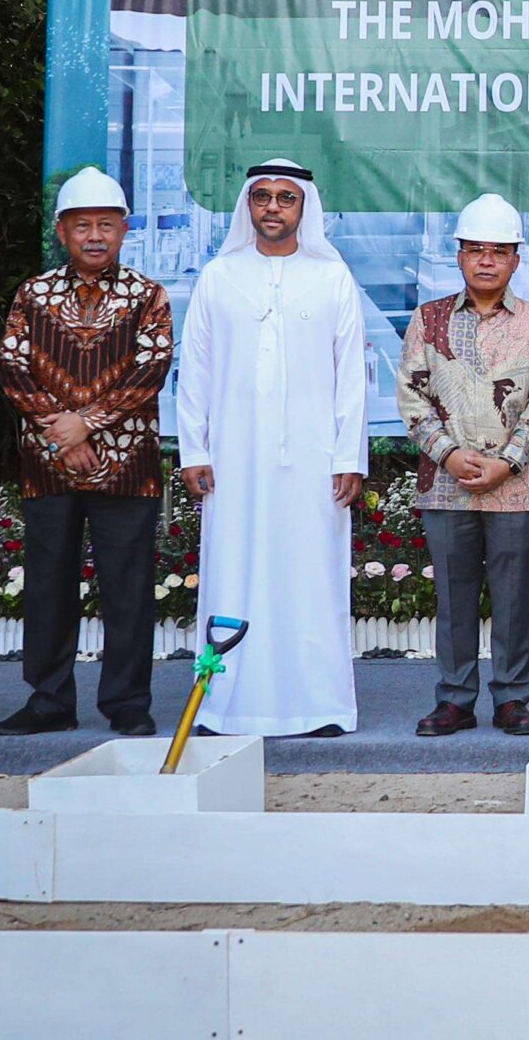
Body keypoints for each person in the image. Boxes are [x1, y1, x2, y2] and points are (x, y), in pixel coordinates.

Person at [174, 160, 369, 737]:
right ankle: (225, 704)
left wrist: (347, 457)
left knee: (312, 576)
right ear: (248, 206)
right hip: (232, 459)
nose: (274, 208)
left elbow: (350, 377)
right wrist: (194, 450)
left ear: (303, 206)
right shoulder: (219, 275)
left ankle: (319, 705)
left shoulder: (332, 277)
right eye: (262, 197)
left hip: (313, 461)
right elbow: (196, 372)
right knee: (233, 567)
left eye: (286, 198)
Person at [0, 167, 175, 738]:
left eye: (105, 225)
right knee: (47, 585)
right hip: (48, 466)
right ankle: (49, 700)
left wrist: (86, 424)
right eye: (82, 226)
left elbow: (151, 370)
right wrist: (61, 435)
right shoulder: (34, 293)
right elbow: (13, 367)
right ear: (62, 231)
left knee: (128, 588)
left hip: (128, 468)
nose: (94, 236)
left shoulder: (148, 296)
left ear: (124, 230)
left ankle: (127, 702)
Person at [398, 193, 529, 739]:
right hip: (445, 486)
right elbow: (412, 398)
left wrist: (506, 463)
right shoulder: (429, 319)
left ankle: (513, 700)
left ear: (517, 259)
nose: (486, 260)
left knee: (514, 597)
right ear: (460, 256)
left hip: (516, 488)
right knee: (453, 596)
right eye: (475, 250)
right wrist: (447, 452)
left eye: (499, 250)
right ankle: (454, 700)